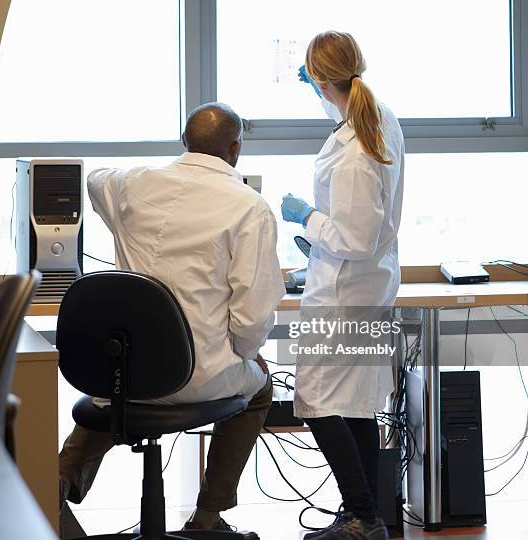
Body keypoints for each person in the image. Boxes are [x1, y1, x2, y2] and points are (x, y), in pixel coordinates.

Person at [59, 102, 286, 535]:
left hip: (123, 370)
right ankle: (208, 518)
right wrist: (246, 357)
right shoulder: (249, 208)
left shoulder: (131, 186)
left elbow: (94, 180)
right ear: (236, 147)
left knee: (120, 390)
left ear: (184, 142)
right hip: (195, 378)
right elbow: (252, 317)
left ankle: (56, 480)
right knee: (260, 387)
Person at [281, 31, 405, 540]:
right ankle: (365, 515)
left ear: (319, 79)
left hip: (342, 299)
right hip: (365, 290)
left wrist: (306, 217)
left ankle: (361, 514)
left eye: (311, 76)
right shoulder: (379, 118)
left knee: (315, 402)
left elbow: (352, 237)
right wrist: (322, 88)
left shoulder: (354, 152)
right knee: (351, 403)